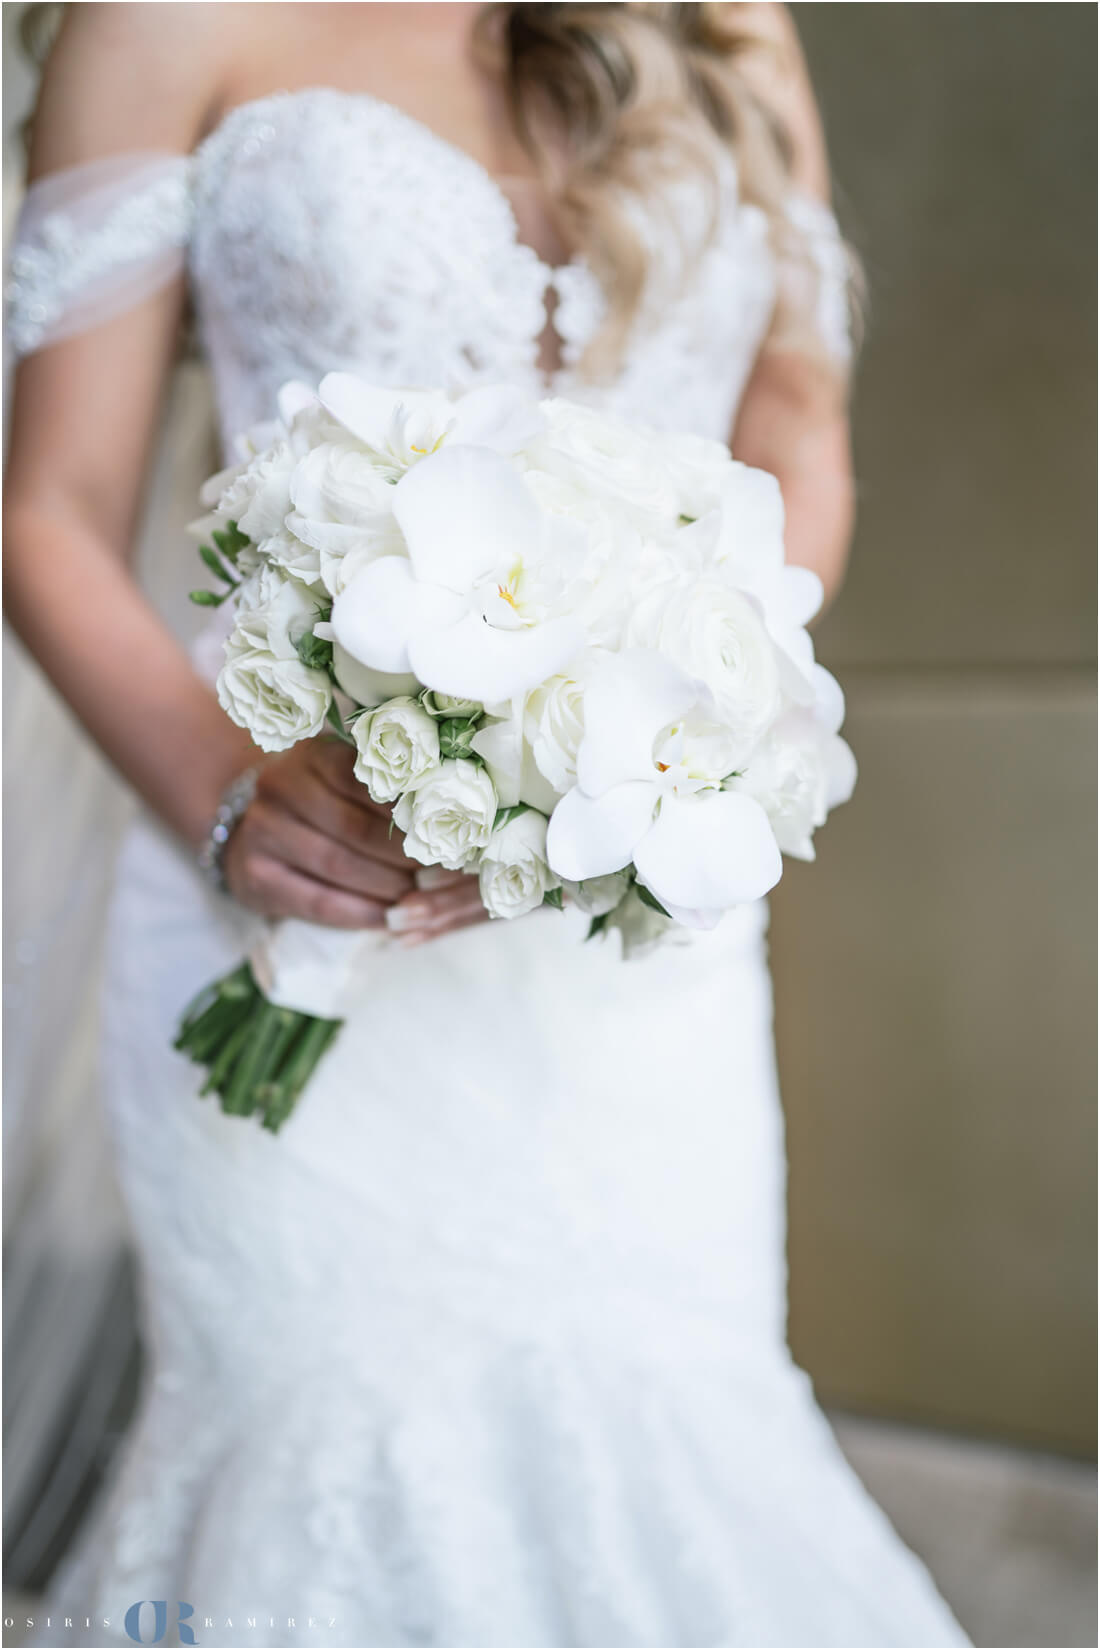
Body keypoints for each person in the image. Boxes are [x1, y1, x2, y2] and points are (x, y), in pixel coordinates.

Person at [4, 4, 969, 1644]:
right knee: (322, 1441)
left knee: (673, 1422)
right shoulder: (165, 22)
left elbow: (798, 437)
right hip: (292, 890)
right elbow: (50, 511)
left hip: (632, 945)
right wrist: (233, 807)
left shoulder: (726, 24)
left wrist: (652, 720)